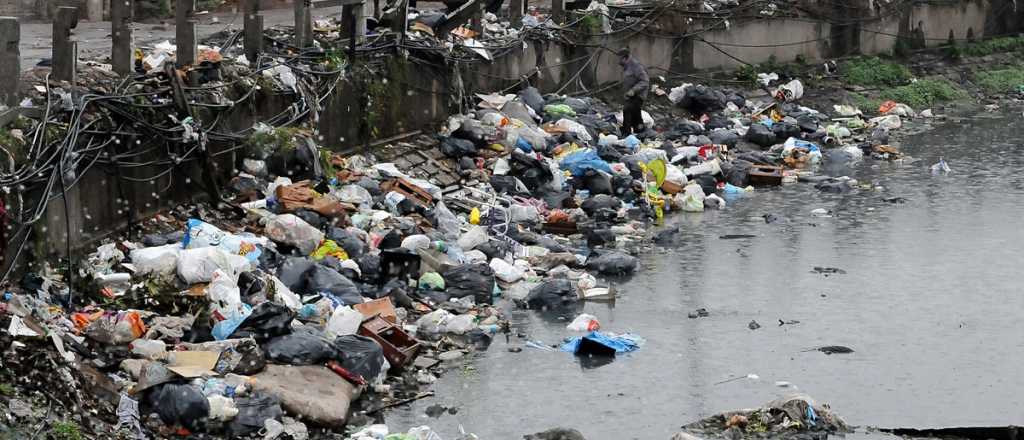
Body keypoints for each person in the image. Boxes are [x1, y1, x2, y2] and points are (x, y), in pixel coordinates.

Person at [618, 48, 649, 136]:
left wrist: (633, 90)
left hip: (638, 95)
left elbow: (645, 81)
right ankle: (640, 131)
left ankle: (626, 133)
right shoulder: (626, 67)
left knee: (627, 110)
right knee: (636, 115)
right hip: (631, 96)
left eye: (620, 58)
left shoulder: (636, 66)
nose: (618, 61)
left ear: (625, 58)